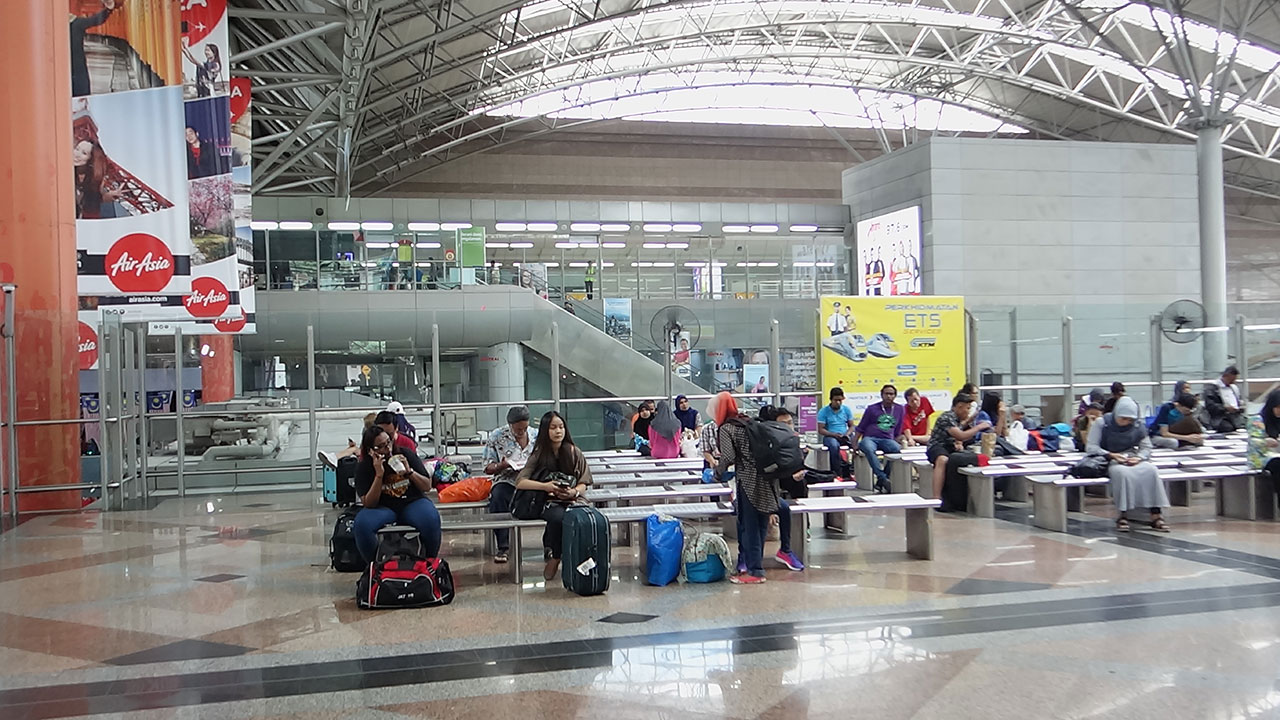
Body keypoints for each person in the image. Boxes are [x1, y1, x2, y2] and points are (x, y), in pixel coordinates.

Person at [715, 394, 802, 583]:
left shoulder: (727, 428)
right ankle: (756, 567)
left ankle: (754, 571)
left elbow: (728, 457)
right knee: (761, 524)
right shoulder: (748, 422)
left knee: (750, 526)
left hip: (748, 482)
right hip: (767, 478)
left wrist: (717, 472)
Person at [515, 411, 593, 580]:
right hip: (548, 501)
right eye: (553, 428)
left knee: (583, 517)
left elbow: (584, 483)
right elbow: (520, 482)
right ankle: (556, 556)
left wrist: (573, 491)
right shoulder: (539, 454)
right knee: (559, 517)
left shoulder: (574, 452)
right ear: (545, 431)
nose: (558, 431)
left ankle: (577, 558)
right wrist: (545, 486)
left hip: (573, 499)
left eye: (561, 427)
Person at [351, 426, 442, 562]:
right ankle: (374, 565)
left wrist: (409, 472)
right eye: (381, 447)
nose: (388, 449)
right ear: (371, 451)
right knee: (362, 525)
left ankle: (429, 561)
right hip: (382, 507)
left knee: (431, 520)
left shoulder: (406, 454)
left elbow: (426, 486)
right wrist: (379, 475)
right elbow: (369, 503)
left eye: (388, 442)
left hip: (411, 502)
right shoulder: (364, 467)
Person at [1087, 397, 1170, 532]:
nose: (1126, 423)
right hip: (1109, 459)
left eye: (1130, 420)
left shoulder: (1138, 426)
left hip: (1131, 458)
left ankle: (1156, 513)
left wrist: (1139, 457)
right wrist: (1111, 454)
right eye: (1123, 419)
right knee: (1122, 474)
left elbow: (1146, 447)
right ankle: (1123, 513)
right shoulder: (1102, 423)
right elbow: (1091, 447)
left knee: (1151, 470)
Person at [483, 406, 536, 564]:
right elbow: (487, 467)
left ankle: (550, 546)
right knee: (498, 497)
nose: (521, 432)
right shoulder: (497, 436)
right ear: (510, 425)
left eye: (524, 428)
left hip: (531, 479)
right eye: (518, 429)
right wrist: (502, 466)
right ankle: (503, 546)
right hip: (507, 479)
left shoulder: (536, 435)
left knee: (548, 497)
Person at [926, 393, 990, 501]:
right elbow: (960, 435)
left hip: (950, 447)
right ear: (959, 406)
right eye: (967, 408)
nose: (968, 411)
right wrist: (979, 427)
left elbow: (958, 437)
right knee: (942, 459)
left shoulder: (957, 419)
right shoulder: (947, 417)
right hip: (937, 447)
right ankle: (936, 497)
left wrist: (958, 443)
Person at [852, 384, 906, 494]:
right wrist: (854, 442)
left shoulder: (899, 409)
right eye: (886, 394)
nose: (889, 396)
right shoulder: (872, 409)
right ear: (881, 395)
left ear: (895, 396)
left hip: (887, 439)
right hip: (870, 438)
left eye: (891, 394)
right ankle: (883, 477)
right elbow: (861, 426)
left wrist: (898, 438)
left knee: (896, 450)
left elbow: (898, 427)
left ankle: (881, 481)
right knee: (867, 447)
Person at [70, 0, 117, 97]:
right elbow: (95, 20)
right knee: (80, 91)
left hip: (59, 65)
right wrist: (108, 10)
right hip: (78, 64)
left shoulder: (53, 27)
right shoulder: (76, 24)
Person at [73, 138, 124, 219]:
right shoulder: (64, 171)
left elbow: (91, 206)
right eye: (77, 149)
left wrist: (103, 197)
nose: (76, 154)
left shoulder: (96, 180)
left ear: (91, 159)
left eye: (84, 153)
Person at [817, 387, 855, 480]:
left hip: (844, 435)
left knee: (856, 444)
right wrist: (833, 434)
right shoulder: (823, 411)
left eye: (840, 400)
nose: (838, 402)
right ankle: (837, 472)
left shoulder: (846, 410)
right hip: (831, 436)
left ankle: (852, 470)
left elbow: (852, 426)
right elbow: (821, 430)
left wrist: (847, 434)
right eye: (836, 400)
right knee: (834, 446)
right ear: (831, 399)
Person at [1253, 390, 1280, 504]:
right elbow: (1253, 442)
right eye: (1277, 407)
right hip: (1261, 456)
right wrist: (1265, 441)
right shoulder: (1257, 420)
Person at [1204, 366, 1246, 432]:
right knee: (1227, 427)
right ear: (1226, 376)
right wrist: (1225, 408)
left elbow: (1239, 401)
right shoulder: (1212, 388)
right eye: (1232, 380)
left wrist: (1240, 407)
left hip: (1235, 416)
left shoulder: (1234, 388)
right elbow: (1210, 406)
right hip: (1219, 418)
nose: (1233, 382)